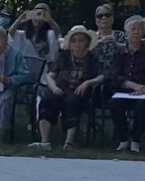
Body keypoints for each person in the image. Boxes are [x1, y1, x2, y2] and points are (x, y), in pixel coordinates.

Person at [30, 25, 102, 151]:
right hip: (61, 88)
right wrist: (53, 87)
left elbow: (102, 76)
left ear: (87, 42)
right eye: (74, 41)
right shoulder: (63, 56)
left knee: (72, 102)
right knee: (47, 100)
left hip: (79, 91)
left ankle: (69, 142)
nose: (77, 43)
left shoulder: (92, 58)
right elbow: (50, 75)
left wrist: (88, 82)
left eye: (81, 40)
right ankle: (44, 141)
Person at [110, 15, 145, 153]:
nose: (136, 32)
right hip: (124, 90)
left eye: (140, 29)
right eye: (133, 29)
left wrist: (142, 88)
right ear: (127, 32)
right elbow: (114, 76)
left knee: (142, 106)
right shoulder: (119, 52)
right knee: (114, 103)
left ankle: (136, 140)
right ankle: (123, 139)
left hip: (143, 92)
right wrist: (132, 85)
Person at [9, 2, 60, 70]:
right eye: (35, 14)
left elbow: (57, 33)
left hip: (43, 71)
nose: (37, 18)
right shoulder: (23, 35)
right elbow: (10, 33)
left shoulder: (50, 35)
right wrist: (19, 20)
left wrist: (51, 21)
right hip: (24, 70)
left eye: (41, 15)